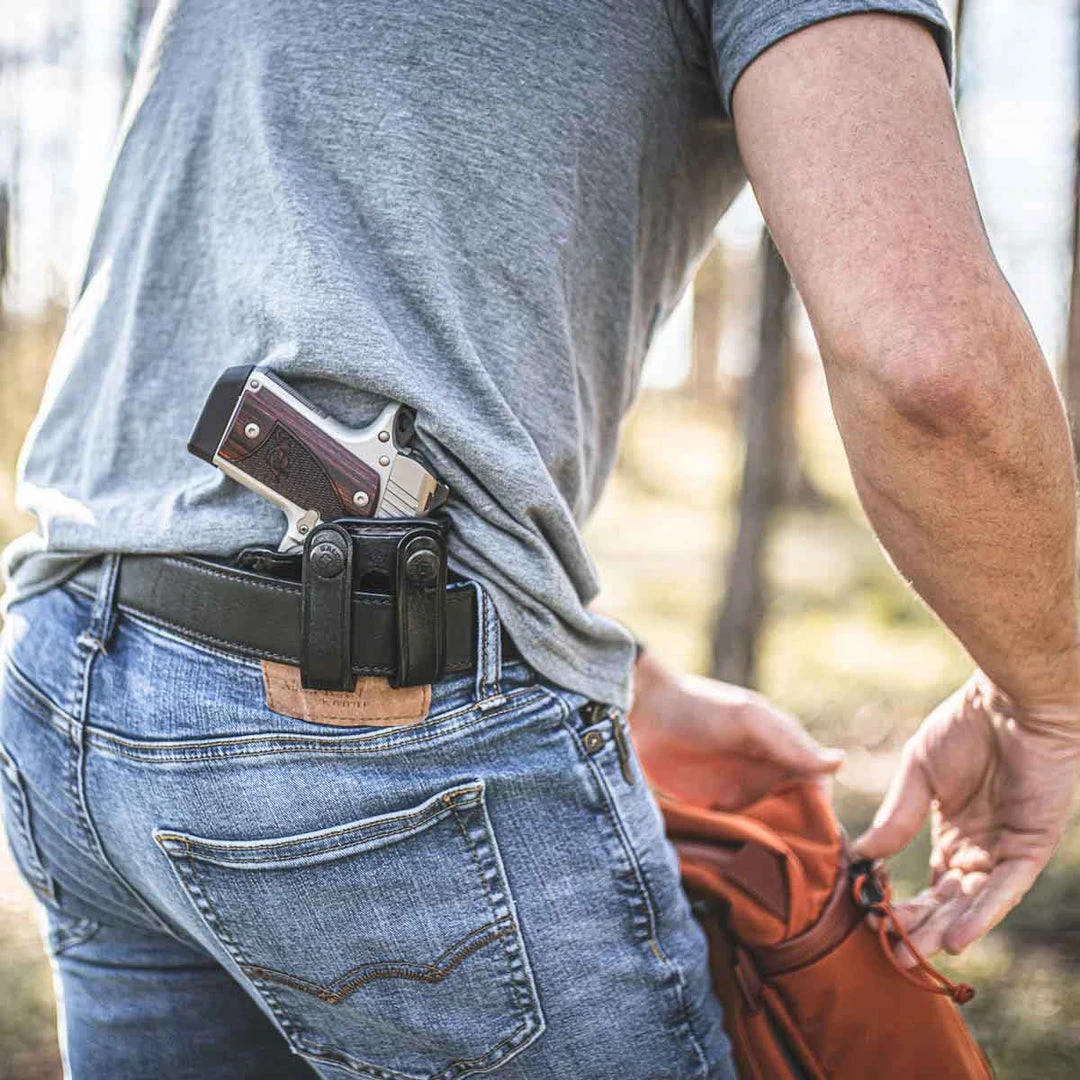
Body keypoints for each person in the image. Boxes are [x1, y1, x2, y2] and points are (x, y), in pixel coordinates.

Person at [2, 2, 1077, 1077]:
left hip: (63, 676)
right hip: (361, 722)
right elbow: (929, 372)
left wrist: (630, 679)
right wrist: (1048, 700)